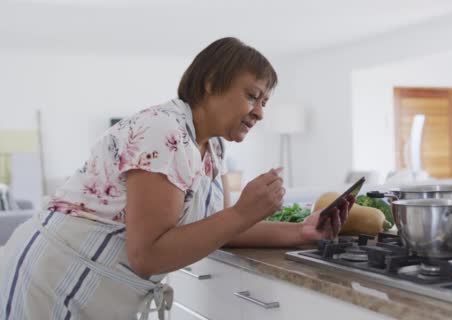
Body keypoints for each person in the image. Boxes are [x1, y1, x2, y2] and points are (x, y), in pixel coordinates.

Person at [0, 37, 353, 319]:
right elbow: (148, 255)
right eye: (252, 96)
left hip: (95, 290)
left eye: (265, 102)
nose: (260, 112)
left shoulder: (212, 147)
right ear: (212, 83)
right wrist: (245, 210)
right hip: (53, 284)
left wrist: (301, 231)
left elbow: (221, 229)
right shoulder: (163, 131)